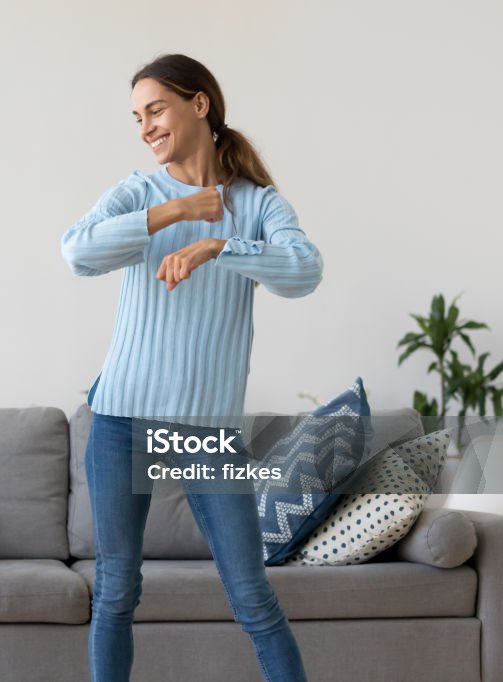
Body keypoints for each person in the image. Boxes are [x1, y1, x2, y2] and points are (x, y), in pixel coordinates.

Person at [61, 54, 323, 682]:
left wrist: (222, 245)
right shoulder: (138, 192)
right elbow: (77, 253)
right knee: (117, 593)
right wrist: (176, 213)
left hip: (205, 431)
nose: (146, 126)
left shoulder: (258, 205)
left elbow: (305, 271)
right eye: (138, 117)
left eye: (156, 109)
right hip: (122, 419)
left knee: (252, 597)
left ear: (198, 104)